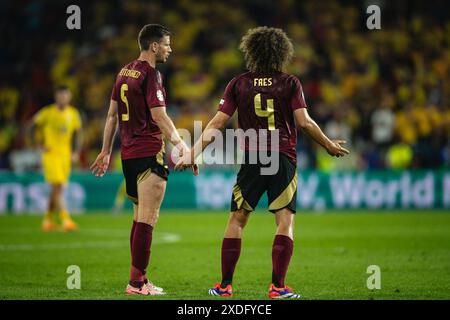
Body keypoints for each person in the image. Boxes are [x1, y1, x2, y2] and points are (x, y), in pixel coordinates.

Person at [176, 26, 349, 299]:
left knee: (237, 219)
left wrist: (193, 152)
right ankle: (278, 287)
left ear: (251, 51)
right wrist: (328, 144)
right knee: (284, 222)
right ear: (282, 52)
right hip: (282, 157)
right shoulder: (290, 83)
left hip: (253, 158)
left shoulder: (238, 83)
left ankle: (224, 286)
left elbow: (218, 123)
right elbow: (303, 122)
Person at [90, 24, 197, 296]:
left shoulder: (124, 72)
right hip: (149, 152)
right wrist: (184, 148)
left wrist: (105, 151)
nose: (170, 49)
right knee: (148, 220)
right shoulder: (151, 75)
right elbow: (160, 116)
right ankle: (137, 283)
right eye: (166, 44)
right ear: (153, 46)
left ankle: (139, 279)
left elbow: (112, 116)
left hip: (127, 155)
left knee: (139, 219)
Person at [29, 85, 82, 232]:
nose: (63, 98)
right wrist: (38, 145)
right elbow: (31, 127)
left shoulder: (73, 114)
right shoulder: (47, 112)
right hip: (51, 154)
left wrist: (76, 151)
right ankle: (66, 219)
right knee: (58, 185)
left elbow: (78, 133)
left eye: (65, 95)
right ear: (56, 97)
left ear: (69, 97)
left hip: (65, 155)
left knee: (57, 188)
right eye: (60, 95)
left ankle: (48, 219)